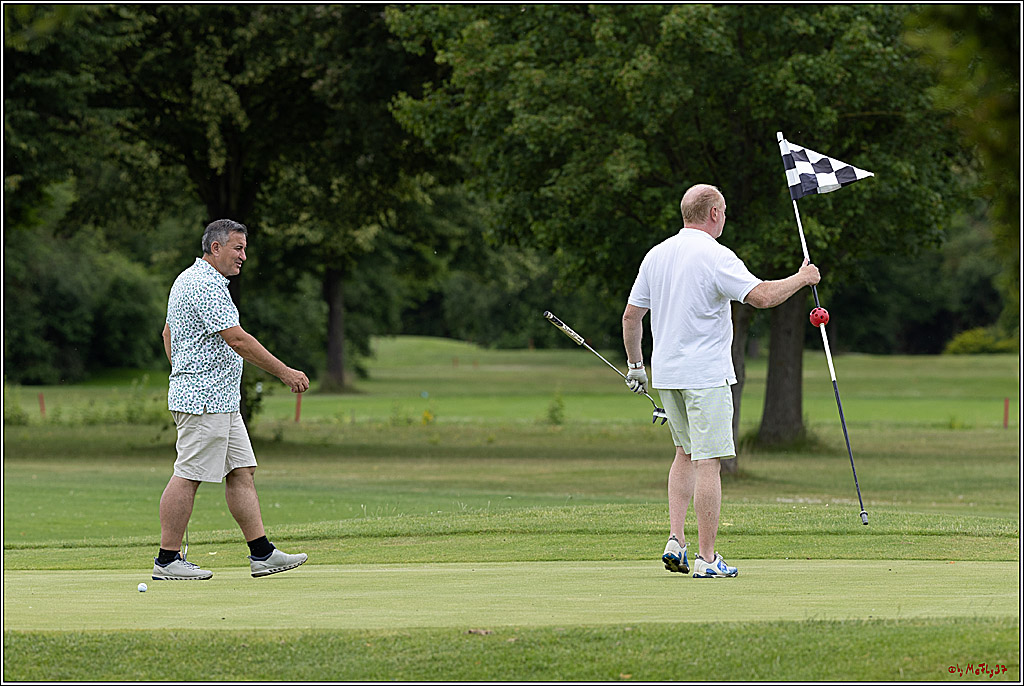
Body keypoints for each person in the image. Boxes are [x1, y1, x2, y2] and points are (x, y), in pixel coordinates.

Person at [622, 184, 820, 578]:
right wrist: (802, 278)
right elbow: (761, 296)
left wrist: (636, 366)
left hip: (668, 375)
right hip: (705, 376)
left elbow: (631, 317)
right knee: (708, 462)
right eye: (724, 210)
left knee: (683, 454)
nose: (725, 216)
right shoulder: (715, 256)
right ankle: (707, 560)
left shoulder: (656, 254)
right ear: (714, 213)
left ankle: (676, 541)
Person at [153, 219, 311, 581]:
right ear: (216, 248)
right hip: (203, 401)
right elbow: (237, 340)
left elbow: (168, 333)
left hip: (219, 400)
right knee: (188, 475)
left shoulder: (187, 278)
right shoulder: (205, 284)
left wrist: (183, 370)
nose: (243, 256)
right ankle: (167, 560)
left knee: (241, 471)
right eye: (238, 248)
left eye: (244, 249)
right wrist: (285, 372)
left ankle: (262, 553)